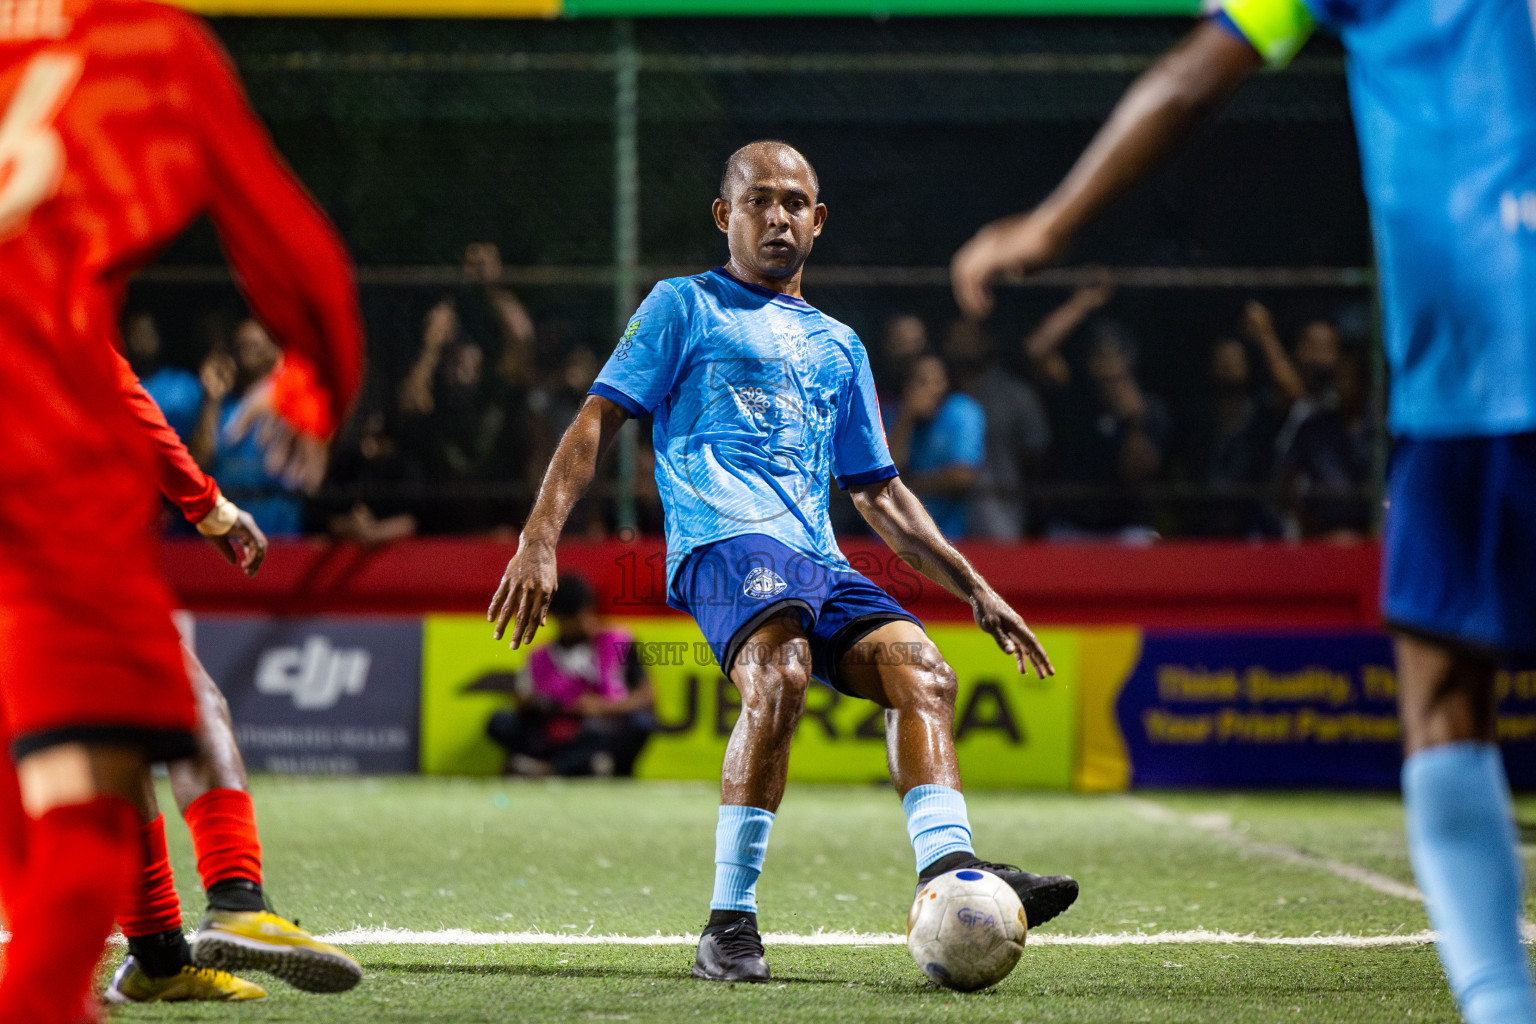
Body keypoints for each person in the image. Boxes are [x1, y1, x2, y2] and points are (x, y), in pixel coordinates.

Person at [950, 1, 1536, 1019]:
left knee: (1445, 703)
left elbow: (1192, 76)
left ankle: (1500, 1004)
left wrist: (1047, 226)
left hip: (1479, 368)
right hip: (1471, 370)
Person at [489, 140, 1077, 985]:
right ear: (726, 216)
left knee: (924, 673)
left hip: (816, 556)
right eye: (759, 200)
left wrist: (976, 587)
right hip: (722, 541)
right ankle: (728, 925)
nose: (777, 216)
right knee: (784, 670)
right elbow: (596, 423)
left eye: (794, 202)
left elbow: (880, 495)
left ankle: (950, 870)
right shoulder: (680, 307)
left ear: (818, 219)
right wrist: (539, 535)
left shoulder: (840, 346)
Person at [0, 2, 363, 1021]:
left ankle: (158, 951)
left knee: (74, 757)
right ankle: (234, 897)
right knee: (112, 752)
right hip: (32, 463)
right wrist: (312, 384)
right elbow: (302, 263)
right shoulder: (137, 49)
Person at [106, 350, 363, 1003]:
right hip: (54, 538)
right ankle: (237, 896)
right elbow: (130, 406)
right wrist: (210, 507)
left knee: (110, 748)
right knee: (186, 705)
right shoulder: (33, 279)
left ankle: (160, 960)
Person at [486, 574, 654, 778]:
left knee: (639, 723)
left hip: (602, 725)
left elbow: (647, 695)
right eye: (576, 617)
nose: (585, 622)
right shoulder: (539, 656)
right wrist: (547, 704)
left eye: (587, 613)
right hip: (556, 728)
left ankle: (551, 769)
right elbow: (524, 701)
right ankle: (583, 766)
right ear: (559, 618)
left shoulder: (618, 641)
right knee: (500, 721)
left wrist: (602, 707)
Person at [191, 319, 308, 537]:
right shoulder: (221, 409)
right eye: (242, 347)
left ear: (275, 352)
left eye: (256, 347)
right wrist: (212, 398)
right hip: (224, 536)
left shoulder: (293, 408)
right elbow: (198, 465)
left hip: (277, 536)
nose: (248, 354)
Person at [941, 318, 1050, 540]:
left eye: (970, 336)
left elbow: (1036, 455)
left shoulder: (1016, 395)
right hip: (941, 525)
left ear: (987, 341)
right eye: (956, 337)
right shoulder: (935, 396)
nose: (963, 344)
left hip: (999, 521)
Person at [883, 352, 986, 540]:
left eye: (937, 381)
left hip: (951, 536)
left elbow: (962, 477)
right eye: (921, 382)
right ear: (907, 386)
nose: (930, 389)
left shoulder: (963, 411)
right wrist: (906, 418)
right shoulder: (891, 415)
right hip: (893, 535)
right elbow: (884, 477)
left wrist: (907, 486)